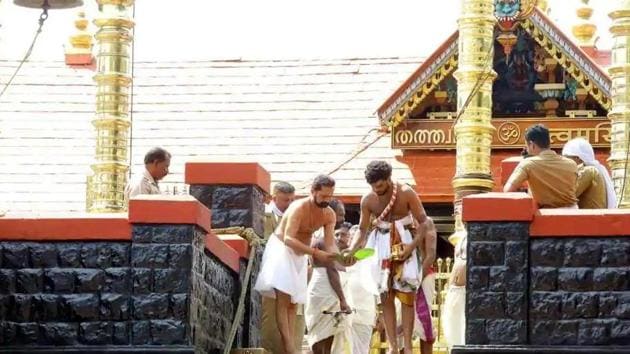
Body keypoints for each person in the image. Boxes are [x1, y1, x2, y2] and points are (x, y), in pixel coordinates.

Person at [345, 160, 429, 354]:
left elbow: (424, 222)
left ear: (389, 179)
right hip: (380, 244)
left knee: (407, 294)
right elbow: (363, 230)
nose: (378, 190)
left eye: (381, 186)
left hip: (405, 240)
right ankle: (392, 346)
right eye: (374, 187)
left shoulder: (406, 193)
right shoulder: (368, 200)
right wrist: (351, 249)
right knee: (385, 294)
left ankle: (407, 346)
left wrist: (411, 246)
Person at [254, 174, 343, 354]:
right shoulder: (298, 208)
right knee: (284, 299)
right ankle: (289, 348)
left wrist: (341, 258)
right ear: (313, 192)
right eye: (324, 196)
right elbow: (288, 238)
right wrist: (316, 253)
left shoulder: (329, 215)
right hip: (281, 249)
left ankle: (291, 346)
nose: (327, 200)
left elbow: (330, 243)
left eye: (330, 196)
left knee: (294, 303)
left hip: (301, 254)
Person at [261, 181, 305, 354]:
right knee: (271, 325)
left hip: (295, 274)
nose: (289, 204)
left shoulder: (298, 217)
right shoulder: (265, 217)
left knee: (294, 322)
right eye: (285, 200)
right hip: (274, 276)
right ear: (274, 198)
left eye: (291, 200)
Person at [503, 124, 578, 208]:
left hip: (546, 216)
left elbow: (508, 191)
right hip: (573, 212)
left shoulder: (528, 164)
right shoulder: (572, 164)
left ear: (532, 145)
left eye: (527, 146)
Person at [306, 222, 352, 354]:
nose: (342, 218)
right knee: (320, 337)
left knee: (328, 336)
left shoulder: (331, 243)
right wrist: (342, 300)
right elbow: (331, 271)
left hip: (329, 291)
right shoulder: (323, 242)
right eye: (339, 214)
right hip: (325, 290)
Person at [346, 225, 378, 354]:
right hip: (344, 314)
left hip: (365, 314)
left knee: (361, 350)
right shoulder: (342, 260)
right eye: (352, 238)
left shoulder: (372, 261)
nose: (355, 242)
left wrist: (380, 314)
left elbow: (379, 289)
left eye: (358, 239)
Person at [562, 138, 617, 209]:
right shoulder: (591, 170)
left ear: (577, 158)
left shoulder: (588, 171)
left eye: (566, 158)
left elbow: (565, 198)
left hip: (592, 219)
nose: (564, 162)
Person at [441, 235, 466, 349]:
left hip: (465, 290)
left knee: (463, 326)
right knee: (450, 324)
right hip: (454, 289)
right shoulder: (461, 238)